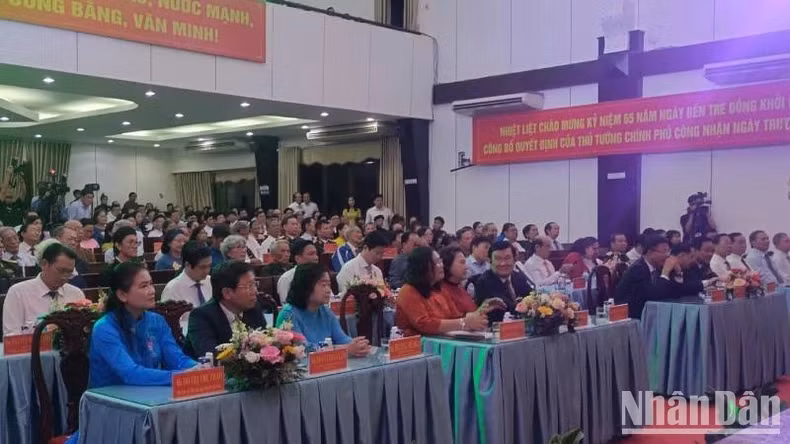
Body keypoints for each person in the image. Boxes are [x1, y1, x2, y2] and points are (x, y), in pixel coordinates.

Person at [89, 262, 197, 388]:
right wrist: (182, 376)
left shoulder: (157, 321)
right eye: (144, 286)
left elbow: (177, 359)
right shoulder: (104, 328)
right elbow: (130, 373)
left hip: (150, 394)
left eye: (151, 284)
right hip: (113, 400)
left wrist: (198, 368)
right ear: (122, 295)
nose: (152, 291)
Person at [276, 263, 369, 354]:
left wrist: (357, 344)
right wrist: (344, 349)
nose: (328, 290)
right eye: (323, 285)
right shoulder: (288, 314)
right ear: (305, 286)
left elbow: (342, 339)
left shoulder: (325, 311)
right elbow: (303, 349)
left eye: (329, 285)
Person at [395, 246, 488, 336]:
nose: (441, 266)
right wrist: (463, 323)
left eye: (441, 261)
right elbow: (424, 324)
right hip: (415, 345)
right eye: (437, 262)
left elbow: (456, 316)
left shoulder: (440, 289)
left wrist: (475, 320)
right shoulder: (408, 291)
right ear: (423, 267)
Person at [187, 261, 266, 358]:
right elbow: (211, 356)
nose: (255, 291)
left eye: (254, 284)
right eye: (249, 286)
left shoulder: (254, 308)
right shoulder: (201, 316)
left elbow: (264, 346)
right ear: (227, 293)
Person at [2, 242, 85, 335]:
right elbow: (11, 334)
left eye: (69, 272)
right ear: (44, 264)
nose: (64, 277)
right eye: (61, 271)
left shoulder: (75, 293)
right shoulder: (18, 292)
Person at [614, 235, 680, 320]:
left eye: (668, 251)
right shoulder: (637, 269)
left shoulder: (658, 268)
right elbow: (653, 295)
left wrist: (678, 272)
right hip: (632, 318)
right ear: (650, 252)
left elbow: (675, 293)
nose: (668, 256)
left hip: (651, 314)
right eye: (664, 251)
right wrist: (665, 273)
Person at [472, 241, 532, 321]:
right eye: (498, 259)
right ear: (490, 261)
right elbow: (508, 307)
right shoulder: (484, 282)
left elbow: (531, 298)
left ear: (514, 259)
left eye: (507, 258)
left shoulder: (518, 277)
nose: (503, 263)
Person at [161, 241, 213, 313]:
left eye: (209, 266)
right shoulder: (172, 289)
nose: (207, 271)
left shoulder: (211, 281)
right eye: (202, 267)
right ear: (187, 265)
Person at [336, 231, 389, 295]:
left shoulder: (377, 271)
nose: (379, 257)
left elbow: (381, 293)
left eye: (382, 254)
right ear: (365, 248)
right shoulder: (348, 269)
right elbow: (344, 295)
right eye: (377, 253)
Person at [276, 239, 319, 304]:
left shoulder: (321, 275)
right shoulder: (286, 279)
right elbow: (287, 306)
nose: (316, 258)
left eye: (316, 254)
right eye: (311, 254)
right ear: (298, 259)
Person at [439, 246, 478, 313]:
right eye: (462, 262)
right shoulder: (441, 291)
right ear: (448, 264)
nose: (466, 267)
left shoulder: (459, 286)